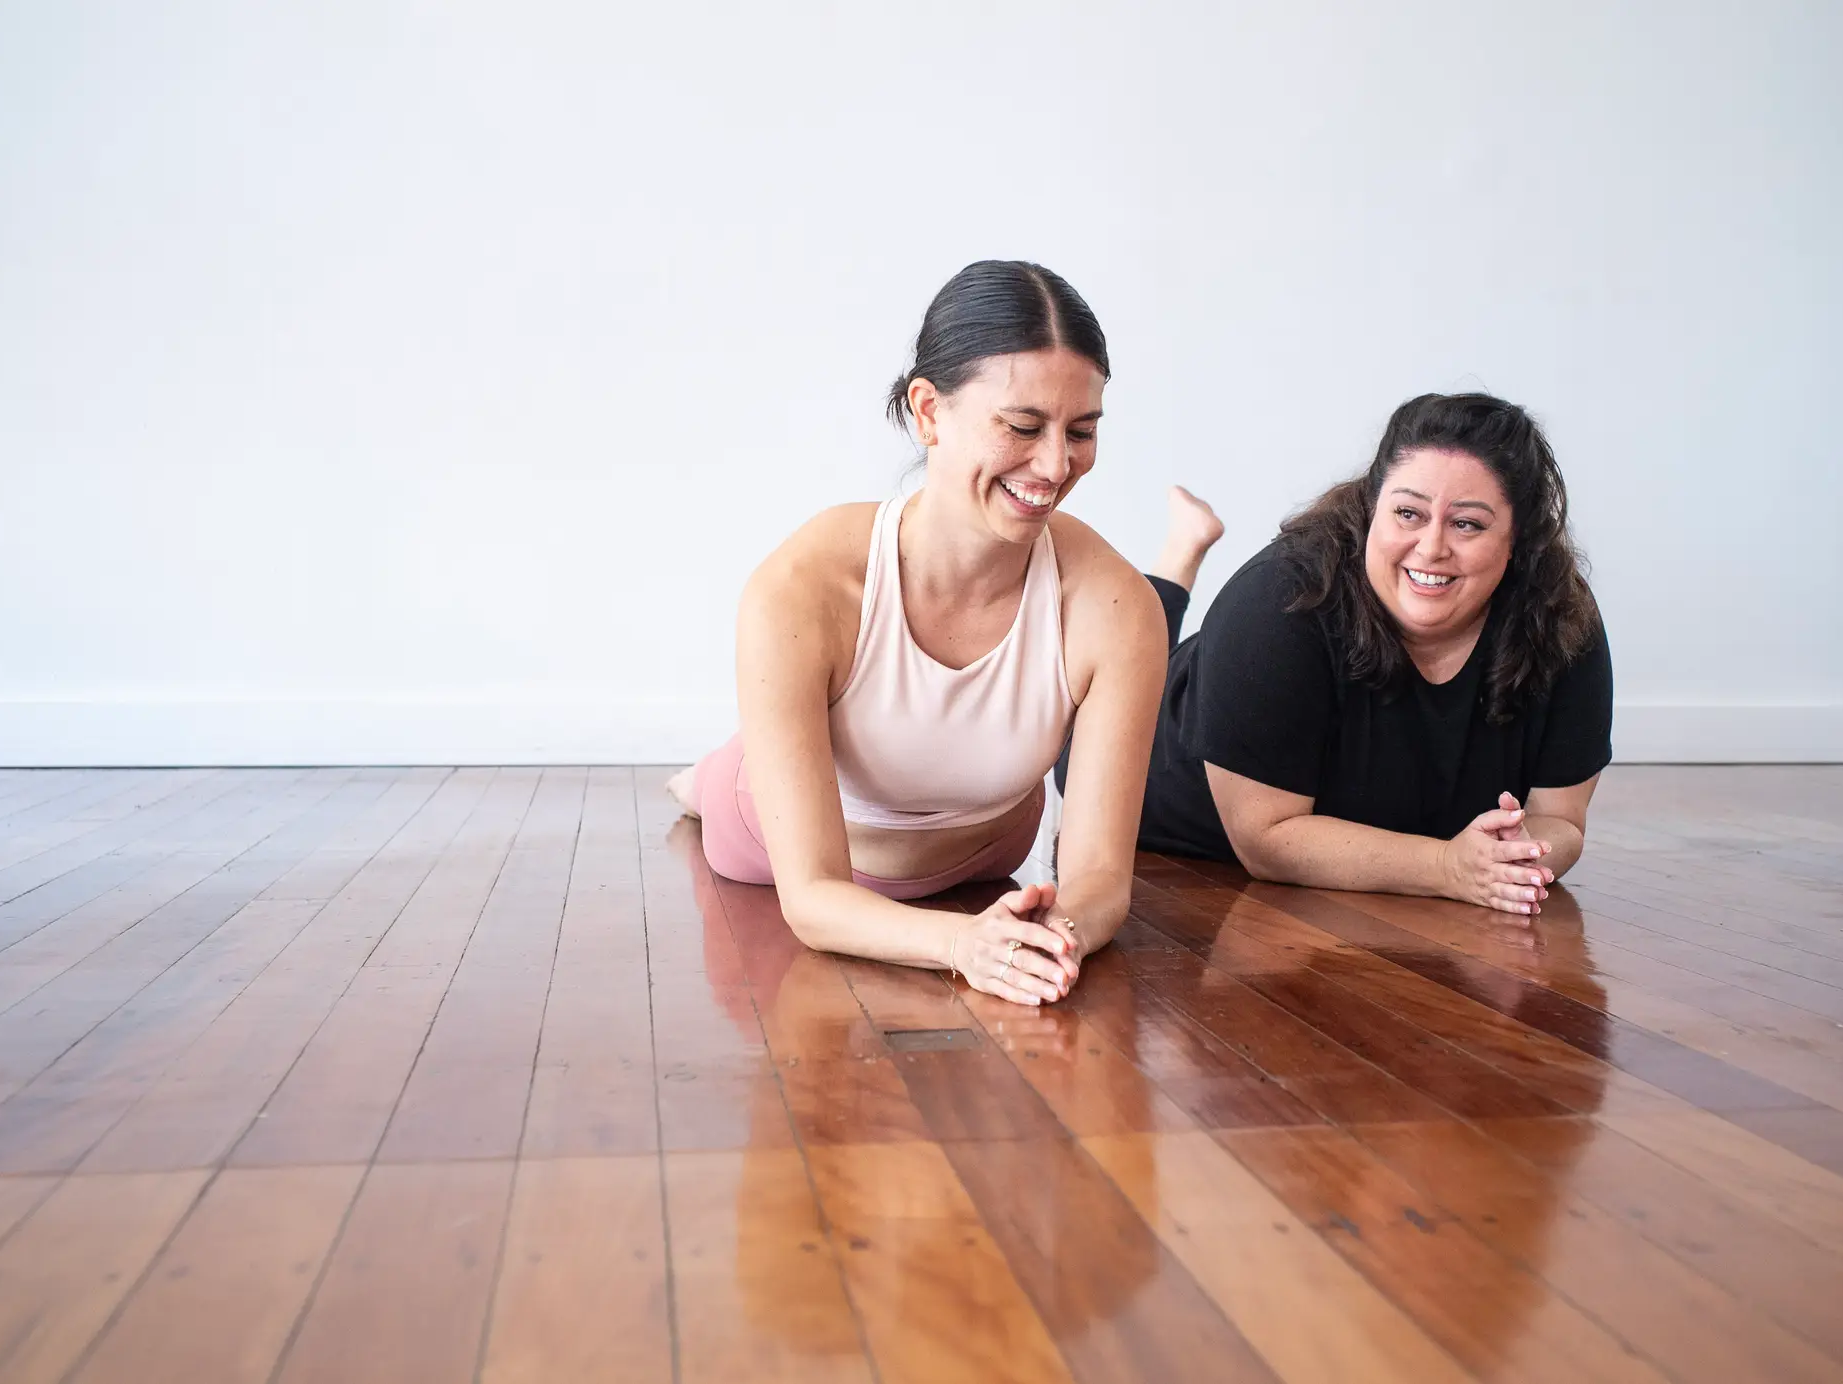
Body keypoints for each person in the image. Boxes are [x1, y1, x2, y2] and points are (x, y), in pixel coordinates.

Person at [668, 261, 1167, 1005]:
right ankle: (704, 779)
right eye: (1023, 426)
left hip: (982, 853)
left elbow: (1098, 880)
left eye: (1083, 430)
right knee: (712, 788)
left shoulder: (1116, 605)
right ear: (929, 412)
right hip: (783, 848)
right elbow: (811, 900)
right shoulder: (803, 587)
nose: (1058, 464)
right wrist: (964, 943)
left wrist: (1053, 934)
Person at [1084, 392, 1611, 918]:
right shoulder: (1276, 601)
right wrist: (1448, 867)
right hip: (1155, 758)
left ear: (1518, 538)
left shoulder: (1561, 617)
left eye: (1467, 524)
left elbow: (1561, 821)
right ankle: (1180, 553)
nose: (1430, 548)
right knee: (1144, 648)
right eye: (1408, 513)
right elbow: (1266, 840)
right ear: (1371, 506)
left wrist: (1514, 857)